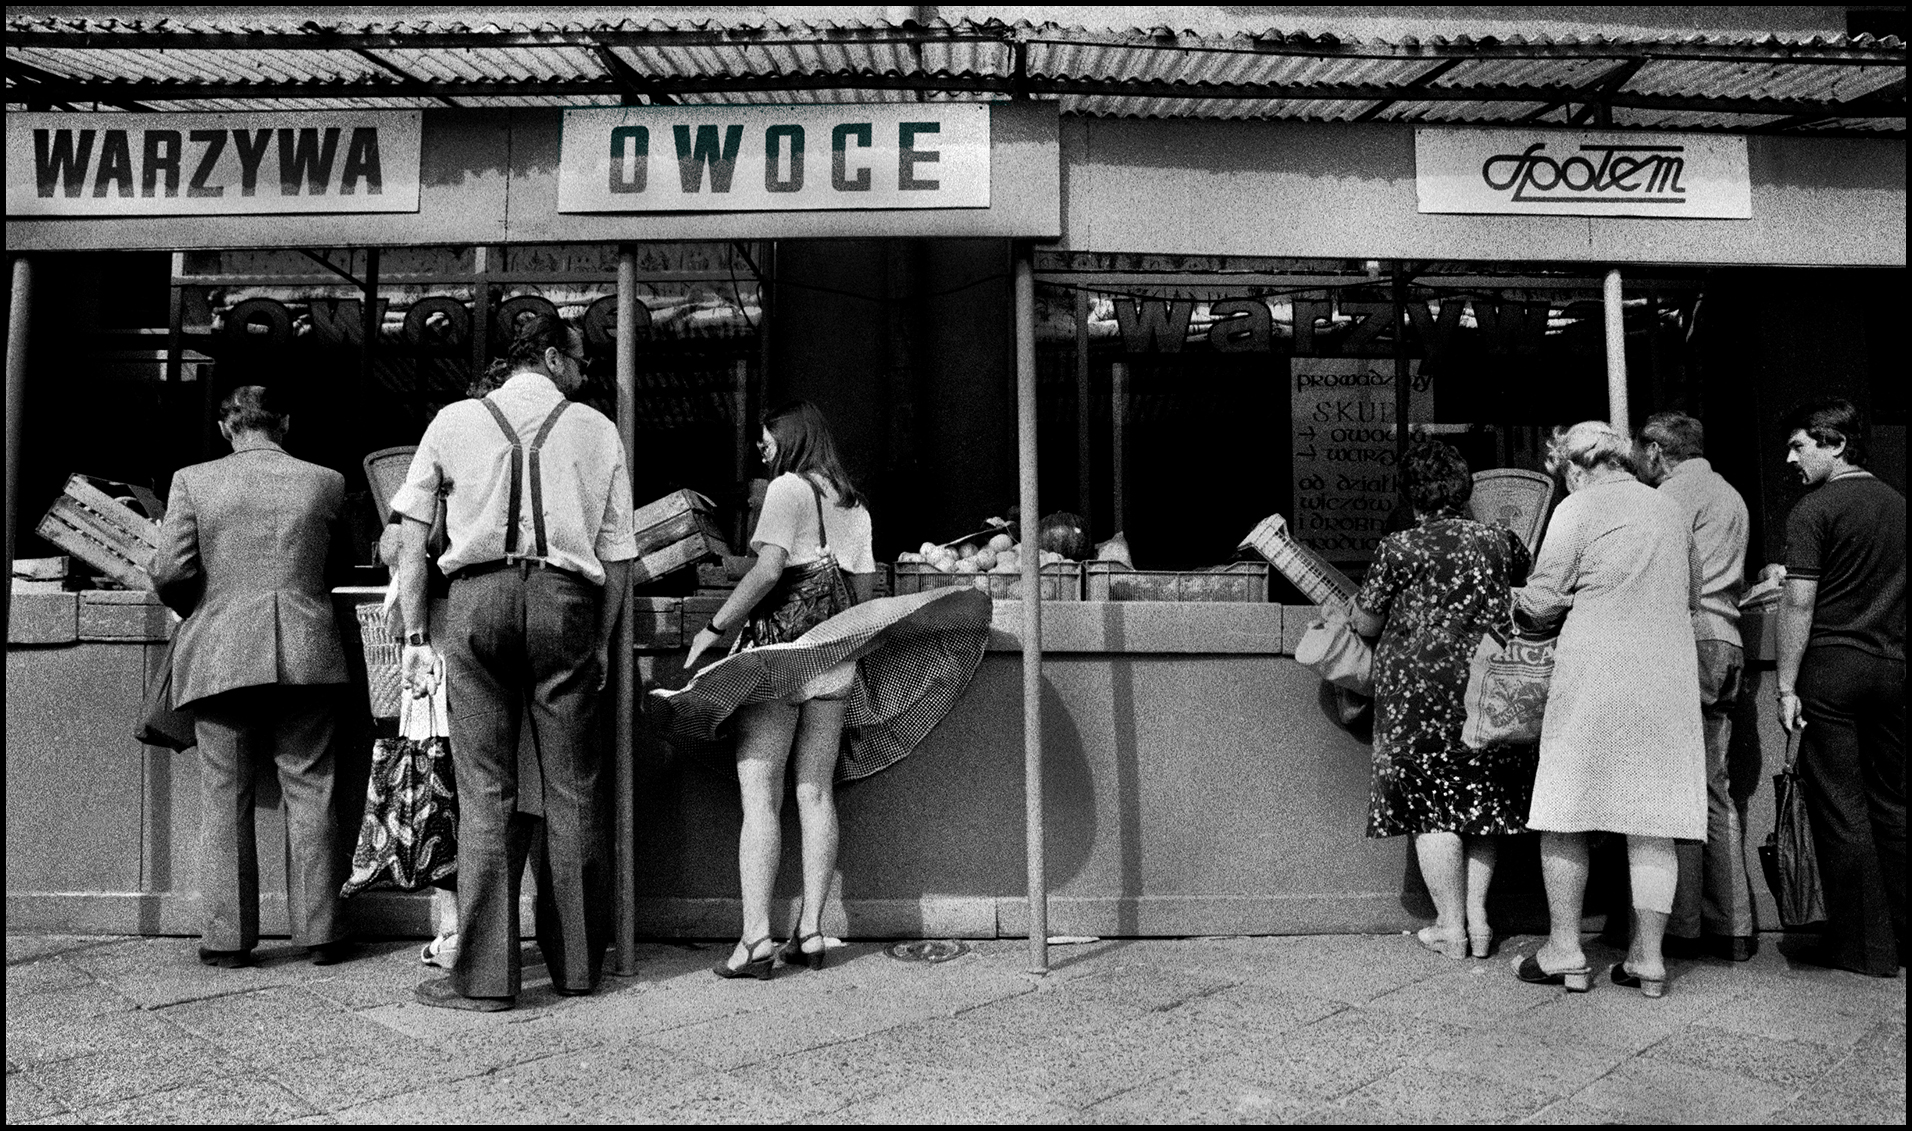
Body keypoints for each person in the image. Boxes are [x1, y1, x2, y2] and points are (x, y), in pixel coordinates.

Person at [655, 400, 992, 979]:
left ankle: (755, 940)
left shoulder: (786, 490)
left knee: (759, 800)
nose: (761, 450)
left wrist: (714, 630)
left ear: (790, 437)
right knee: (815, 794)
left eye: (765, 440)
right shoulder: (853, 507)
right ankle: (810, 932)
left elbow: (766, 572)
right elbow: (863, 600)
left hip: (778, 665)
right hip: (834, 662)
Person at [391, 314, 636, 1011]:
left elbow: (412, 540)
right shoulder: (597, 431)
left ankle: (486, 978)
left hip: (477, 602)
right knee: (574, 788)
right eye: (581, 361)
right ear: (553, 358)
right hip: (566, 604)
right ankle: (580, 966)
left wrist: (415, 636)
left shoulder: (453, 419)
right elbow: (618, 556)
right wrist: (600, 643)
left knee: (486, 790)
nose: (587, 375)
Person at [149, 385, 354, 968]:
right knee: (312, 789)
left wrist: (206, 607)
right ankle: (321, 933)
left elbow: (170, 569)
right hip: (308, 651)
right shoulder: (327, 481)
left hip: (220, 654)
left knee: (224, 796)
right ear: (284, 423)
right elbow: (339, 566)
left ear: (225, 429)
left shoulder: (192, 479)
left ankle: (227, 940)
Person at [1512, 421, 1706, 998]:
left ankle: (1565, 950)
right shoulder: (1669, 509)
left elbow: (1543, 601)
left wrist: (1522, 601)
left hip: (1595, 674)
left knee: (1566, 810)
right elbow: (1692, 596)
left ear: (1574, 468)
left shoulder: (1577, 509)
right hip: (1667, 677)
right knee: (1653, 821)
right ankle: (1647, 961)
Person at [1352, 439, 1534, 961]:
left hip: (1418, 693)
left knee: (1432, 807)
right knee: (1482, 799)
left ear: (1411, 495)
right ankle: (1479, 920)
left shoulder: (1399, 548)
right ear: (1464, 490)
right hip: (1489, 686)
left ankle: (1450, 927)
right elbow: (1527, 592)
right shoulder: (1502, 542)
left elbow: (1365, 621)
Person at [1775, 397, 1905, 977]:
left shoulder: (1813, 511)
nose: (1790, 458)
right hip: (1893, 669)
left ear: (1837, 445)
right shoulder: (1900, 506)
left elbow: (1799, 600)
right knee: (1895, 806)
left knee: (1841, 810)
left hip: (1832, 669)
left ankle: (1863, 949)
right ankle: (1903, 938)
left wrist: (1784, 684)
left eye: (1800, 445)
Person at [1636, 411, 1758, 961]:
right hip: (1728, 637)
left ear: (1658, 452)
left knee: (1676, 785)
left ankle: (1681, 925)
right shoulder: (1729, 494)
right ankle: (1732, 923)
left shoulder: (1670, 500)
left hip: (1689, 640)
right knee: (1715, 787)